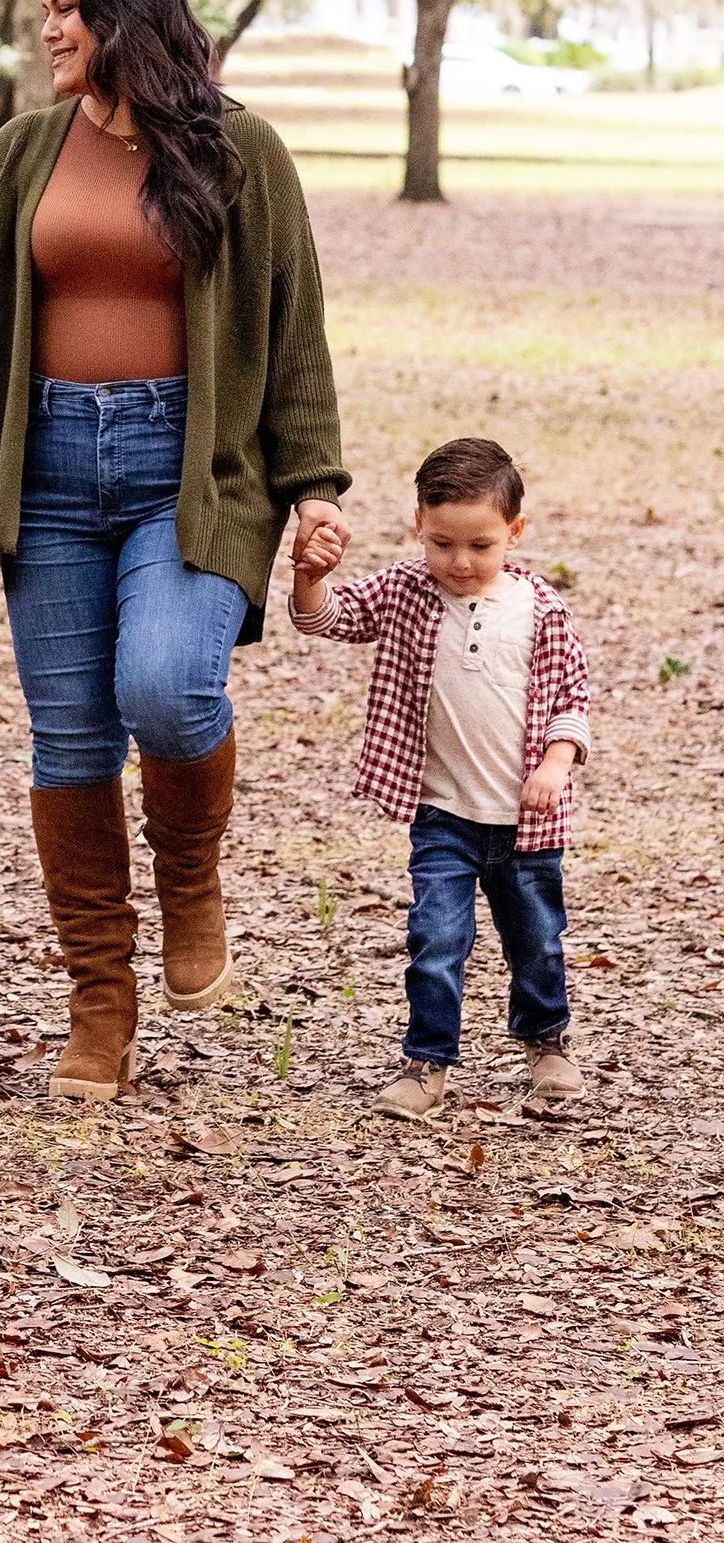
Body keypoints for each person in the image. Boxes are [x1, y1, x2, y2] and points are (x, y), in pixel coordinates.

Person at [0, 0, 348, 1103]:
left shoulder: (242, 153)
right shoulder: (23, 153)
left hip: (188, 471)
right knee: (71, 743)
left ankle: (187, 873)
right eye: (46, 7)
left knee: (169, 688)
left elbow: (291, 334)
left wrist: (315, 490)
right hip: (48, 475)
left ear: (129, 13)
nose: (49, 27)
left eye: (70, 6)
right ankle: (99, 1003)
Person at [288, 436, 588, 1118]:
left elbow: (574, 700)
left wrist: (554, 761)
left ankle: (545, 1042)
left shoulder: (541, 609)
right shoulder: (403, 590)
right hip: (443, 815)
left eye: (480, 545)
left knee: (536, 939)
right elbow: (326, 616)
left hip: (527, 821)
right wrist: (309, 574)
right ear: (418, 525)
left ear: (514, 533)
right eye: (442, 542)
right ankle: (427, 1063)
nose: (459, 561)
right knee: (435, 940)